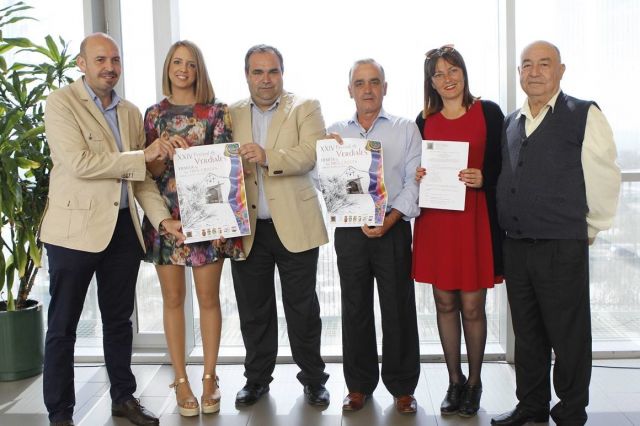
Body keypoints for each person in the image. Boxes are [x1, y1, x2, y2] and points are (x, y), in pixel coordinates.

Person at [40, 33, 187, 426]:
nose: (110, 67)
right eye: (100, 59)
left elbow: (139, 179)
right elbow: (80, 163)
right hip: (74, 232)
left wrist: (162, 219)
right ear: (82, 64)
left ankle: (123, 398)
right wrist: (143, 155)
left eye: (115, 60)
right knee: (63, 326)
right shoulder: (61, 104)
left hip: (122, 229)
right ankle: (60, 413)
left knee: (119, 320)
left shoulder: (130, 111)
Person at [491, 41, 621, 426]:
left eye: (544, 64)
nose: (534, 72)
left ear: (560, 70)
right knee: (528, 334)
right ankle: (531, 406)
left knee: (568, 335)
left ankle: (569, 411)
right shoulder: (511, 120)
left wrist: (590, 227)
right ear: (519, 73)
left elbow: (603, 175)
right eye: (527, 65)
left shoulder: (583, 114)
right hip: (516, 245)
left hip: (562, 244)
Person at [140, 40, 243, 417]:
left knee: (209, 299)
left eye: (191, 64)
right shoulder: (152, 115)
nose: (183, 69)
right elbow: (146, 174)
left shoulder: (217, 112)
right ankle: (181, 379)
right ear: (168, 67)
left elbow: (226, 166)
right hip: (166, 219)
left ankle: (210, 378)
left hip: (208, 217)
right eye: (177, 62)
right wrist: (160, 154)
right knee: (172, 300)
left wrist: (193, 157)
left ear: (199, 70)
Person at [229, 44, 330, 407]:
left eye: (272, 71)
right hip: (248, 228)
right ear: (247, 76)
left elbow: (311, 152)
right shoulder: (231, 113)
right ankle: (256, 380)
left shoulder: (305, 106)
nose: (265, 79)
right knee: (253, 310)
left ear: (282, 73)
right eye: (258, 72)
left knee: (303, 309)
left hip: (296, 224)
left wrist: (268, 156)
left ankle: (314, 380)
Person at [412, 45, 504, 417]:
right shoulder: (423, 120)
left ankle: (475, 383)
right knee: (445, 302)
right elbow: (413, 168)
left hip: (474, 220)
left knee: (472, 305)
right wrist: (418, 175)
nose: (447, 79)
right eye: (439, 74)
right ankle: (453, 379)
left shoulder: (490, 113)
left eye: (453, 71)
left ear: (464, 73)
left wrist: (485, 178)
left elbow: (506, 166)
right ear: (430, 82)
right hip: (437, 221)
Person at [327, 58, 421, 414]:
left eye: (374, 82)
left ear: (385, 87)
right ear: (349, 89)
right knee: (355, 309)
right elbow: (326, 183)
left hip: (393, 229)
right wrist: (331, 158)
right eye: (360, 83)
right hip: (350, 233)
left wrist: (392, 218)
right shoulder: (335, 132)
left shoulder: (405, 128)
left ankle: (402, 388)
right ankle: (358, 386)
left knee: (398, 307)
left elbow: (415, 180)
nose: (368, 89)